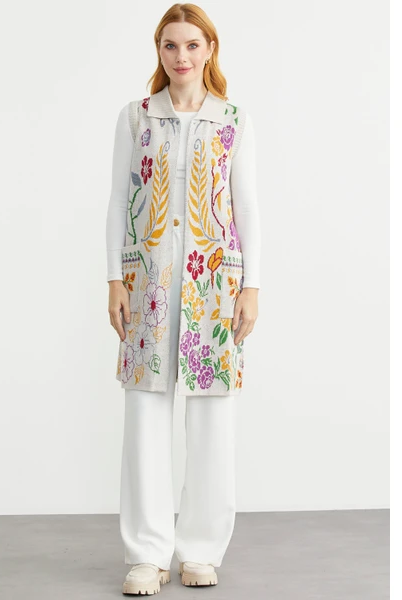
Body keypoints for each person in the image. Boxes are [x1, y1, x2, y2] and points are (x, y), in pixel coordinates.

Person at [106, 3, 261, 595]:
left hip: (214, 285)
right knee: (145, 413)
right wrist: (115, 279)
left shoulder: (233, 121)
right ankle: (147, 554)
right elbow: (118, 201)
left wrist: (251, 286)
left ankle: (200, 549)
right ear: (159, 50)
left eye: (192, 45)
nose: (181, 56)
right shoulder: (136, 117)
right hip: (147, 281)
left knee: (213, 416)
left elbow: (247, 209)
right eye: (170, 45)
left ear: (210, 49)